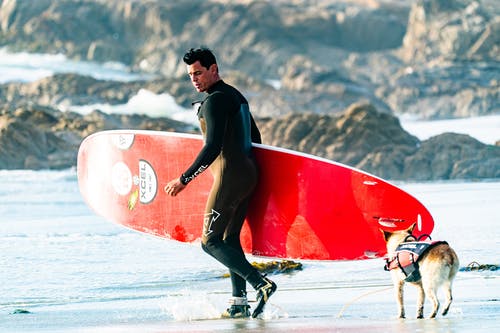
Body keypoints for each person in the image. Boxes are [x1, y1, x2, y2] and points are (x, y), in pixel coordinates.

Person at [164, 47, 276, 318]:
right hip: (247, 174)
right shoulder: (236, 96)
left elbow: (212, 147)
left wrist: (184, 179)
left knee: (210, 241)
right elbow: (256, 138)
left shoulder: (214, 101)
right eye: (191, 75)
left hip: (229, 176)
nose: (194, 79)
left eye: (199, 72)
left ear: (214, 69)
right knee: (229, 238)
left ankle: (260, 284)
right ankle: (239, 302)